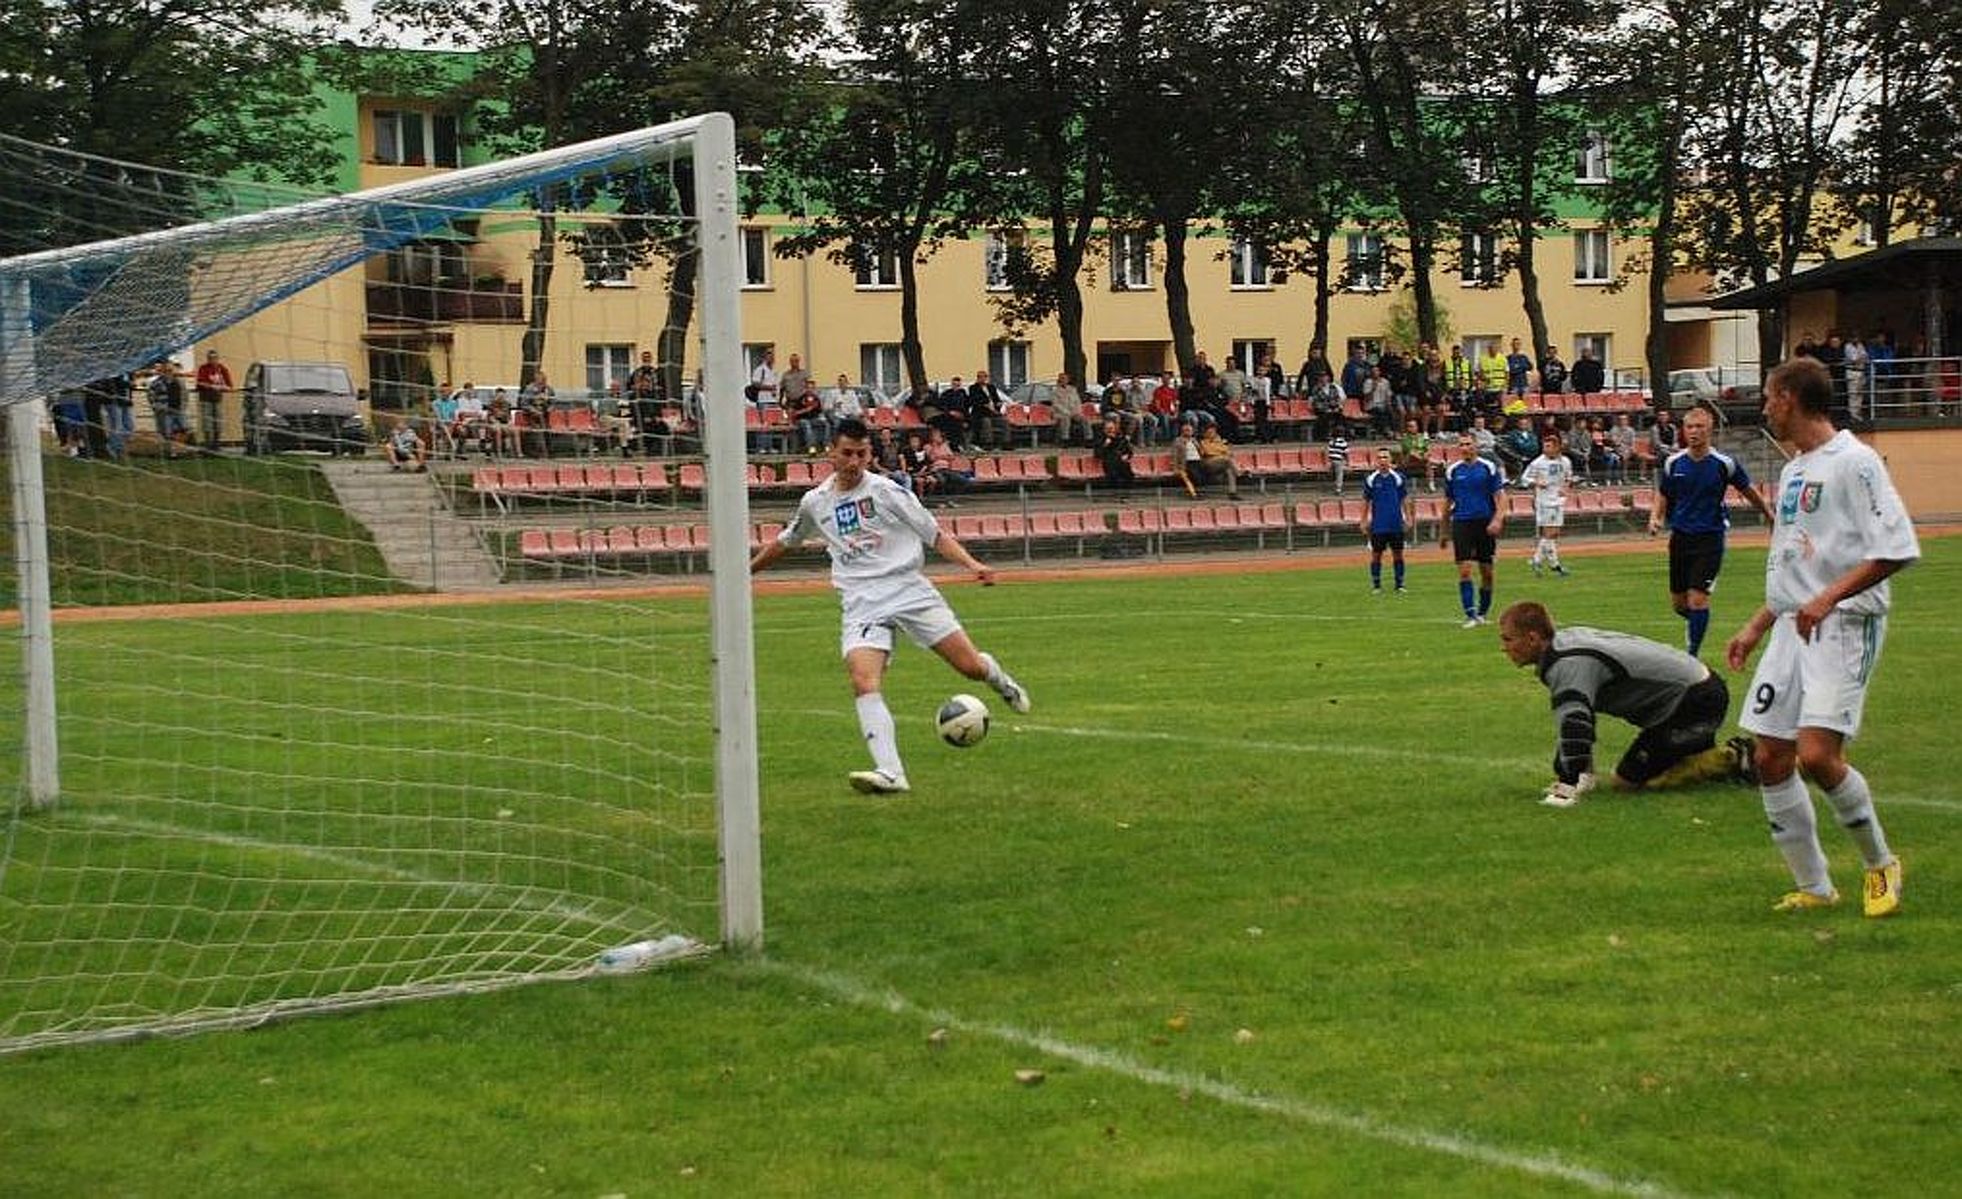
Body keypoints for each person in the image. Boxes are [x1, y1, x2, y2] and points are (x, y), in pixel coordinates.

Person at [1724, 358, 1918, 917]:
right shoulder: (1793, 470)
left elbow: (1895, 549)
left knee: (1817, 756)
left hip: (1843, 626)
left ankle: (1881, 865)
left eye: (1768, 397)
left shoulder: (1855, 463)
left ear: (1789, 398)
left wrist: (1829, 598)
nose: (1764, 408)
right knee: (1769, 756)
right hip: (1792, 626)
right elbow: (1794, 562)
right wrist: (1760, 622)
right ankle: (1814, 885)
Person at [748, 417, 1031, 796]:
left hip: (908, 589)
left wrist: (973, 564)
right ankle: (891, 772)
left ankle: (995, 675)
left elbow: (933, 533)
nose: (854, 461)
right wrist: (744, 572)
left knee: (970, 668)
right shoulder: (815, 503)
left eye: (861, 454)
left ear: (870, 453)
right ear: (831, 452)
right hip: (862, 601)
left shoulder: (888, 492)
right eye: (847, 453)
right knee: (863, 680)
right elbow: (787, 541)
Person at [1497, 601, 1748, 807]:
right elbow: (1579, 715)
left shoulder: (1566, 663)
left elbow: (1576, 724)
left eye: (1508, 640)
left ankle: (1736, 757)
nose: (1504, 648)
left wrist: (1566, 787)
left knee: (1626, 783)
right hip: (1693, 694)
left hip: (1695, 701)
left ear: (1532, 638)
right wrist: (1584, 775)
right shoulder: (1562, 645)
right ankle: (1698, 754)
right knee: (1649, 765)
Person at [1648, 405, 1775, 656]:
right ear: (1683, 431)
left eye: (1699, 427)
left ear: (1710, 430)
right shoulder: (1674, 463)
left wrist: (1770, 515)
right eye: (1689, 427)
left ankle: (1692, 654)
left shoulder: (1724, 464)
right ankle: (1697, 621)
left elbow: (1748, 490)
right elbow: (1663, 494)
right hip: (1680, 538)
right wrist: (1655, 518)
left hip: (1710, 537)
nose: (1694, 432)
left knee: (1697, 598)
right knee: (1679, 604)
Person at [1440, 431, 1506, 628]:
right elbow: (1447, 502)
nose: (1465, 448)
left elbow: (1501, 496)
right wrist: (1444, 530)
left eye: (1468, 444)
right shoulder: (1453, 471)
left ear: (1475, 446)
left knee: (1487, 573)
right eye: (1461, 445)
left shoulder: (1488, 467)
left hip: (1485, 523)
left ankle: (1483, 613)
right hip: (1462, 523)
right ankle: (1470, 615)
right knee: (1465, 571)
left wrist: (1498, 519)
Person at [1520, 430, 1574, 577]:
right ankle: (1540, 561)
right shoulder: (1538, 462)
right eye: (1544, 446)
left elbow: (1569, 478)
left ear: (1557, 447)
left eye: (1549, 446)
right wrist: (1537, 482)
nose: (1545, 449)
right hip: (1544, 501)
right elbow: (1524, 479)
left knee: (1554, 534)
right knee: (1549, 533)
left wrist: (1566, 488)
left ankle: (1551, 564)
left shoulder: (1565, 461)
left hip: (1559, 500)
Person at [1360, 449, 1412, 595]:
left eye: (1385, 457)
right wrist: (1363, 520)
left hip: (1395, 522)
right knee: (1376, 554)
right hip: (1378, 524)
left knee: (1398, 554)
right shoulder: (1371, 479)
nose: (1383, 460)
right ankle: (1376, 585)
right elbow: (1365, 500)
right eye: (1380, 457)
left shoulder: (1398, 478)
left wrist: (1408, 517)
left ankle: (1399, 584)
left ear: (1390, 460)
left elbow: (1405, 499)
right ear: (1376, 461)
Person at [193, 349, 233, 453]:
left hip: (217, 399)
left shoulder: (222, 369)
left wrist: (222, 387)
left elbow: (229, 386)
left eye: (214, 358)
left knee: (218, 421)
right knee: (207, 422)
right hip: (205, 399)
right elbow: (200, 382)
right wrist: (211, 386)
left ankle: (216, 444)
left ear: (217, 359)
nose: (212, 360)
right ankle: (208, 444)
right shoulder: (203, 368)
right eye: (210, 358)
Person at [146, 360, 188, 457]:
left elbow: (185, 394)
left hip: (178, 409)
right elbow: (150, 396)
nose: (169, 372)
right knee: (167, 432)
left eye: (170, 370)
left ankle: (175, 449)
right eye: (167, 370)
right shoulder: (156, 383)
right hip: (165, 411)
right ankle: (171, 452)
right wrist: (156, 407)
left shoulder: (179, 382)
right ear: (163, 370)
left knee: (183, 429)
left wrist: (184, 406)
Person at [1197, 422, 1239, 498]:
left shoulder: (1219, 440)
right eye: (1209, 432)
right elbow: (1208, 452)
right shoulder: (1203, 442)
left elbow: (1227, 451)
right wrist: (1220, 451)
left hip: (1221, 462)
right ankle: (1239, 473)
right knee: (1228, 460)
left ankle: (1232, 492)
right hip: (1208, 463)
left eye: (1213, 432)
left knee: (1229, 469)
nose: (1211, 434)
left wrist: (1218, 450)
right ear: (1205, 433)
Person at [1096, 415, 1136, 488]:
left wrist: (1127, 455)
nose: (1110, 431)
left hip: (1122, 463)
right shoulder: (1101, 439)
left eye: (1111, 428)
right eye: (1107, 429)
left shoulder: (1121, 438)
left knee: (1128, 474)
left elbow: (1130, 451)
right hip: (1110, 464)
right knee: (1113, 472)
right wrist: (1105, 445)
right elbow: (1097, 454)